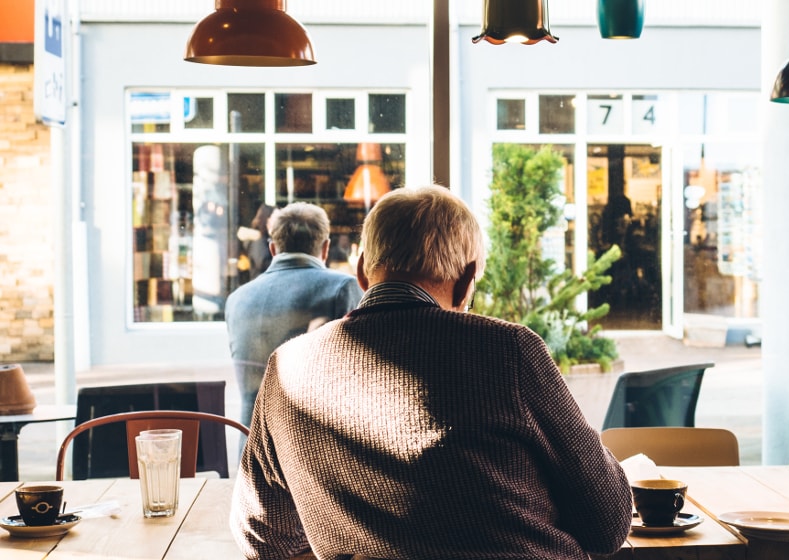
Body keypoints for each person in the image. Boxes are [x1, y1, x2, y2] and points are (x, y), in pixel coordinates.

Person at [230, 185, 633, 560]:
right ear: (465, 283)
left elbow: (262, 536)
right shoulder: (509, 352)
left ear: (362, 271)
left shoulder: (286, 368)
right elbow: (608, 525)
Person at [224, 201, 363, 428]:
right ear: (326, 248)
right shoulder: (341, 288)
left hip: (251, 449)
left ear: (272, 249)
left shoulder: (237, 299)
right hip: (311, 450)